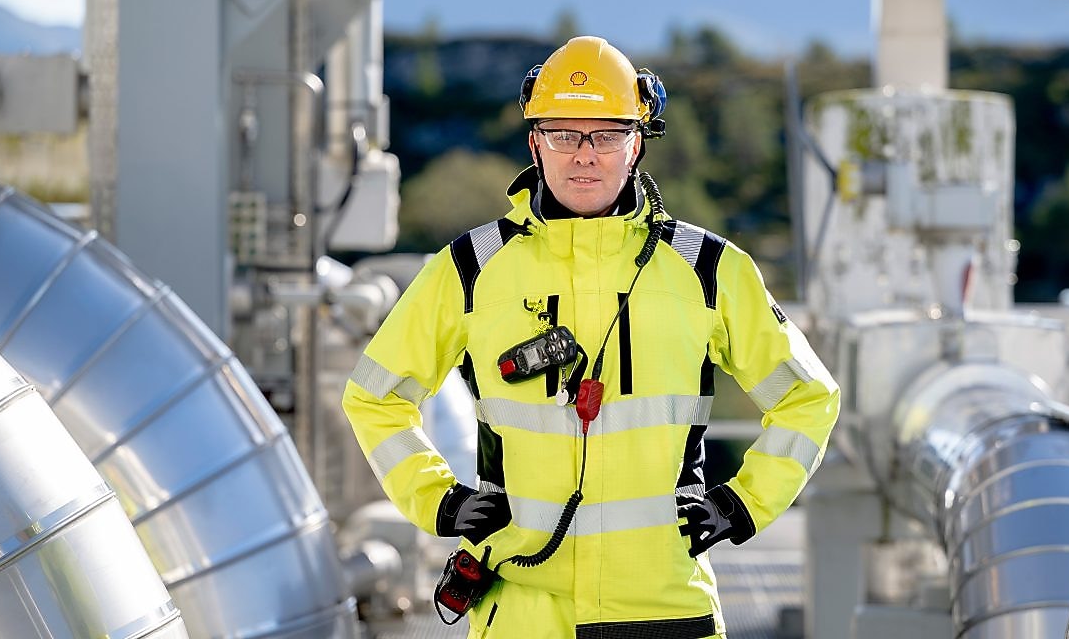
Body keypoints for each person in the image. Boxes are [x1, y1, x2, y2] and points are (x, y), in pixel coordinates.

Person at [343, 35, 839, 639]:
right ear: (534, 142)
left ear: (637, 143)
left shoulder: (711, 270)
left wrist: (742, 505)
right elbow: (374, 394)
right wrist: (437, 500)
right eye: (562, 134)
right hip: (520, 611)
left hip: (665, 610)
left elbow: (808, 397)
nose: (584, 155)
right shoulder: (470, 270)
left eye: (605, 135)